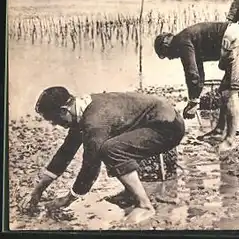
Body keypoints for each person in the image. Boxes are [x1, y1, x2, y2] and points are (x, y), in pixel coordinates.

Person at [20, 87, 185, 224]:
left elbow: (91, 166)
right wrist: (38, 191)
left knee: (110, 149)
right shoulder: (82, 109)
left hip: (168, 126)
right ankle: (130, 193)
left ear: (64, 110)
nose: (55, 124)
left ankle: (145, 205)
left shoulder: (94, 121)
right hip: (160, 118)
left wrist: (68, 199)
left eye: (54, 120)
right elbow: (65, 152)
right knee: (115, 145)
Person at [154, 21, 239, 151]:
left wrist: (193, 102)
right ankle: (219, 130)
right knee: (223, 91)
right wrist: (195, 98)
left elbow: (192, 73)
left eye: (166, 55)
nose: (170, 58)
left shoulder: (181, 42)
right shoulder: (187, 39)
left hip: (238, 42)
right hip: (237, 40)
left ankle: (230, 140)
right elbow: (198, 73)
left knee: (230, 94)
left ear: (166, 45)